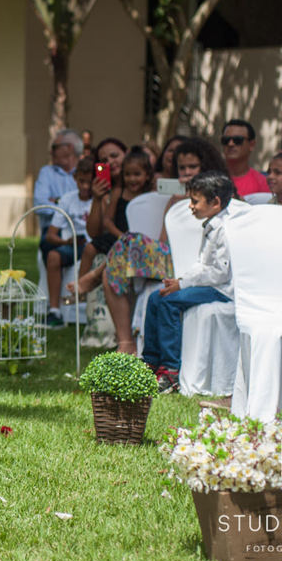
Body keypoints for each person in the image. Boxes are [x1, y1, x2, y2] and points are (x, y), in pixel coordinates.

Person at [98, 138, 227, 354]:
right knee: (119, 258)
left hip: (201, 264)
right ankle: (126, 343)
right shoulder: (176, 199)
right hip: (173, 260)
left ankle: (94, 277)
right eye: (182, 168)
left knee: (122, 250)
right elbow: (164, 241)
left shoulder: (220, 197)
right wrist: (177, 205)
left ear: (206, 167)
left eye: (193, 167)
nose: (187, 172)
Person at [142, 171, 236, 393]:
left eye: (195, 201)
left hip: (222, 289)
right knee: (156, 297)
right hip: (209, 284)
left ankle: (170, 370)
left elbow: (221, 274)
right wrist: (180, 280)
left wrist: (183, 285)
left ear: (215, 203)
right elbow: (202, 263)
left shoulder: (226, 229)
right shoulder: (211, 225)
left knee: (169, 301)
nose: (190, 206)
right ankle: (151, 362)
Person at [68, 149, 155, 300]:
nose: (132, 179)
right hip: (118, 234)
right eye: (127, 174)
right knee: (90, 248)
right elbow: (107, 220)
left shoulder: (150, 195)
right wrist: (120, 235)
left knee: (125, 245)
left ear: (147, 175)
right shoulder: (118, 192)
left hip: (140, 238)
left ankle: (89, 280)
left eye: (137, 174)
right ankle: (81, 288)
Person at [39, 158, 93, 322]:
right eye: (82, 181)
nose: (85, 186)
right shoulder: (67, 199)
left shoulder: (102, 200)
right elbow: (51, 234)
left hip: (94, 245)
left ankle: (80, 298)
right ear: (75, 178)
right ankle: (55, 310)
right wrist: (67, 242)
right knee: (53, 256)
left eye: (89, 182)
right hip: (74, 245)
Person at [33, 129, 83, 231]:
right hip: (54, 232)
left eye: (54, 147)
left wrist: (56, 201)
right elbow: (39, 206)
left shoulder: (85, 173)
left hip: (82, 231)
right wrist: (75, 210)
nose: (51, 152)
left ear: (69, 147)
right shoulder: (47, 172)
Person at [221, 119, 269, 197]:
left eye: (237, 140)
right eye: (226, 140)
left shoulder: (262, 183)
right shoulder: (210, 179)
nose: (230, 144)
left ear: (251, 144)